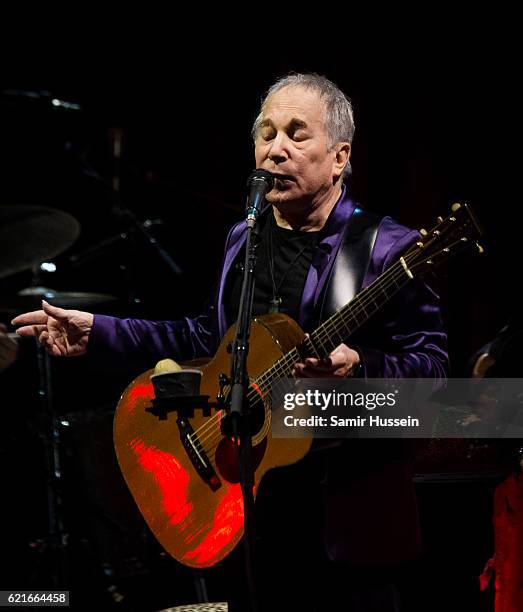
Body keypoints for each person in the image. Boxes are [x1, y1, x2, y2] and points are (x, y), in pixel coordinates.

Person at [12, 73, 448, 611]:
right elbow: (206, 340)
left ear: (340, 157)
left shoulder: (388, 250)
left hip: (345, 536)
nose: (275, 150)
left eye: (296, 133)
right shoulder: (247, 236)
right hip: (249, 524)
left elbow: (435, 380)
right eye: (266, 133)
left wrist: (361, 366)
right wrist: (100, 330)